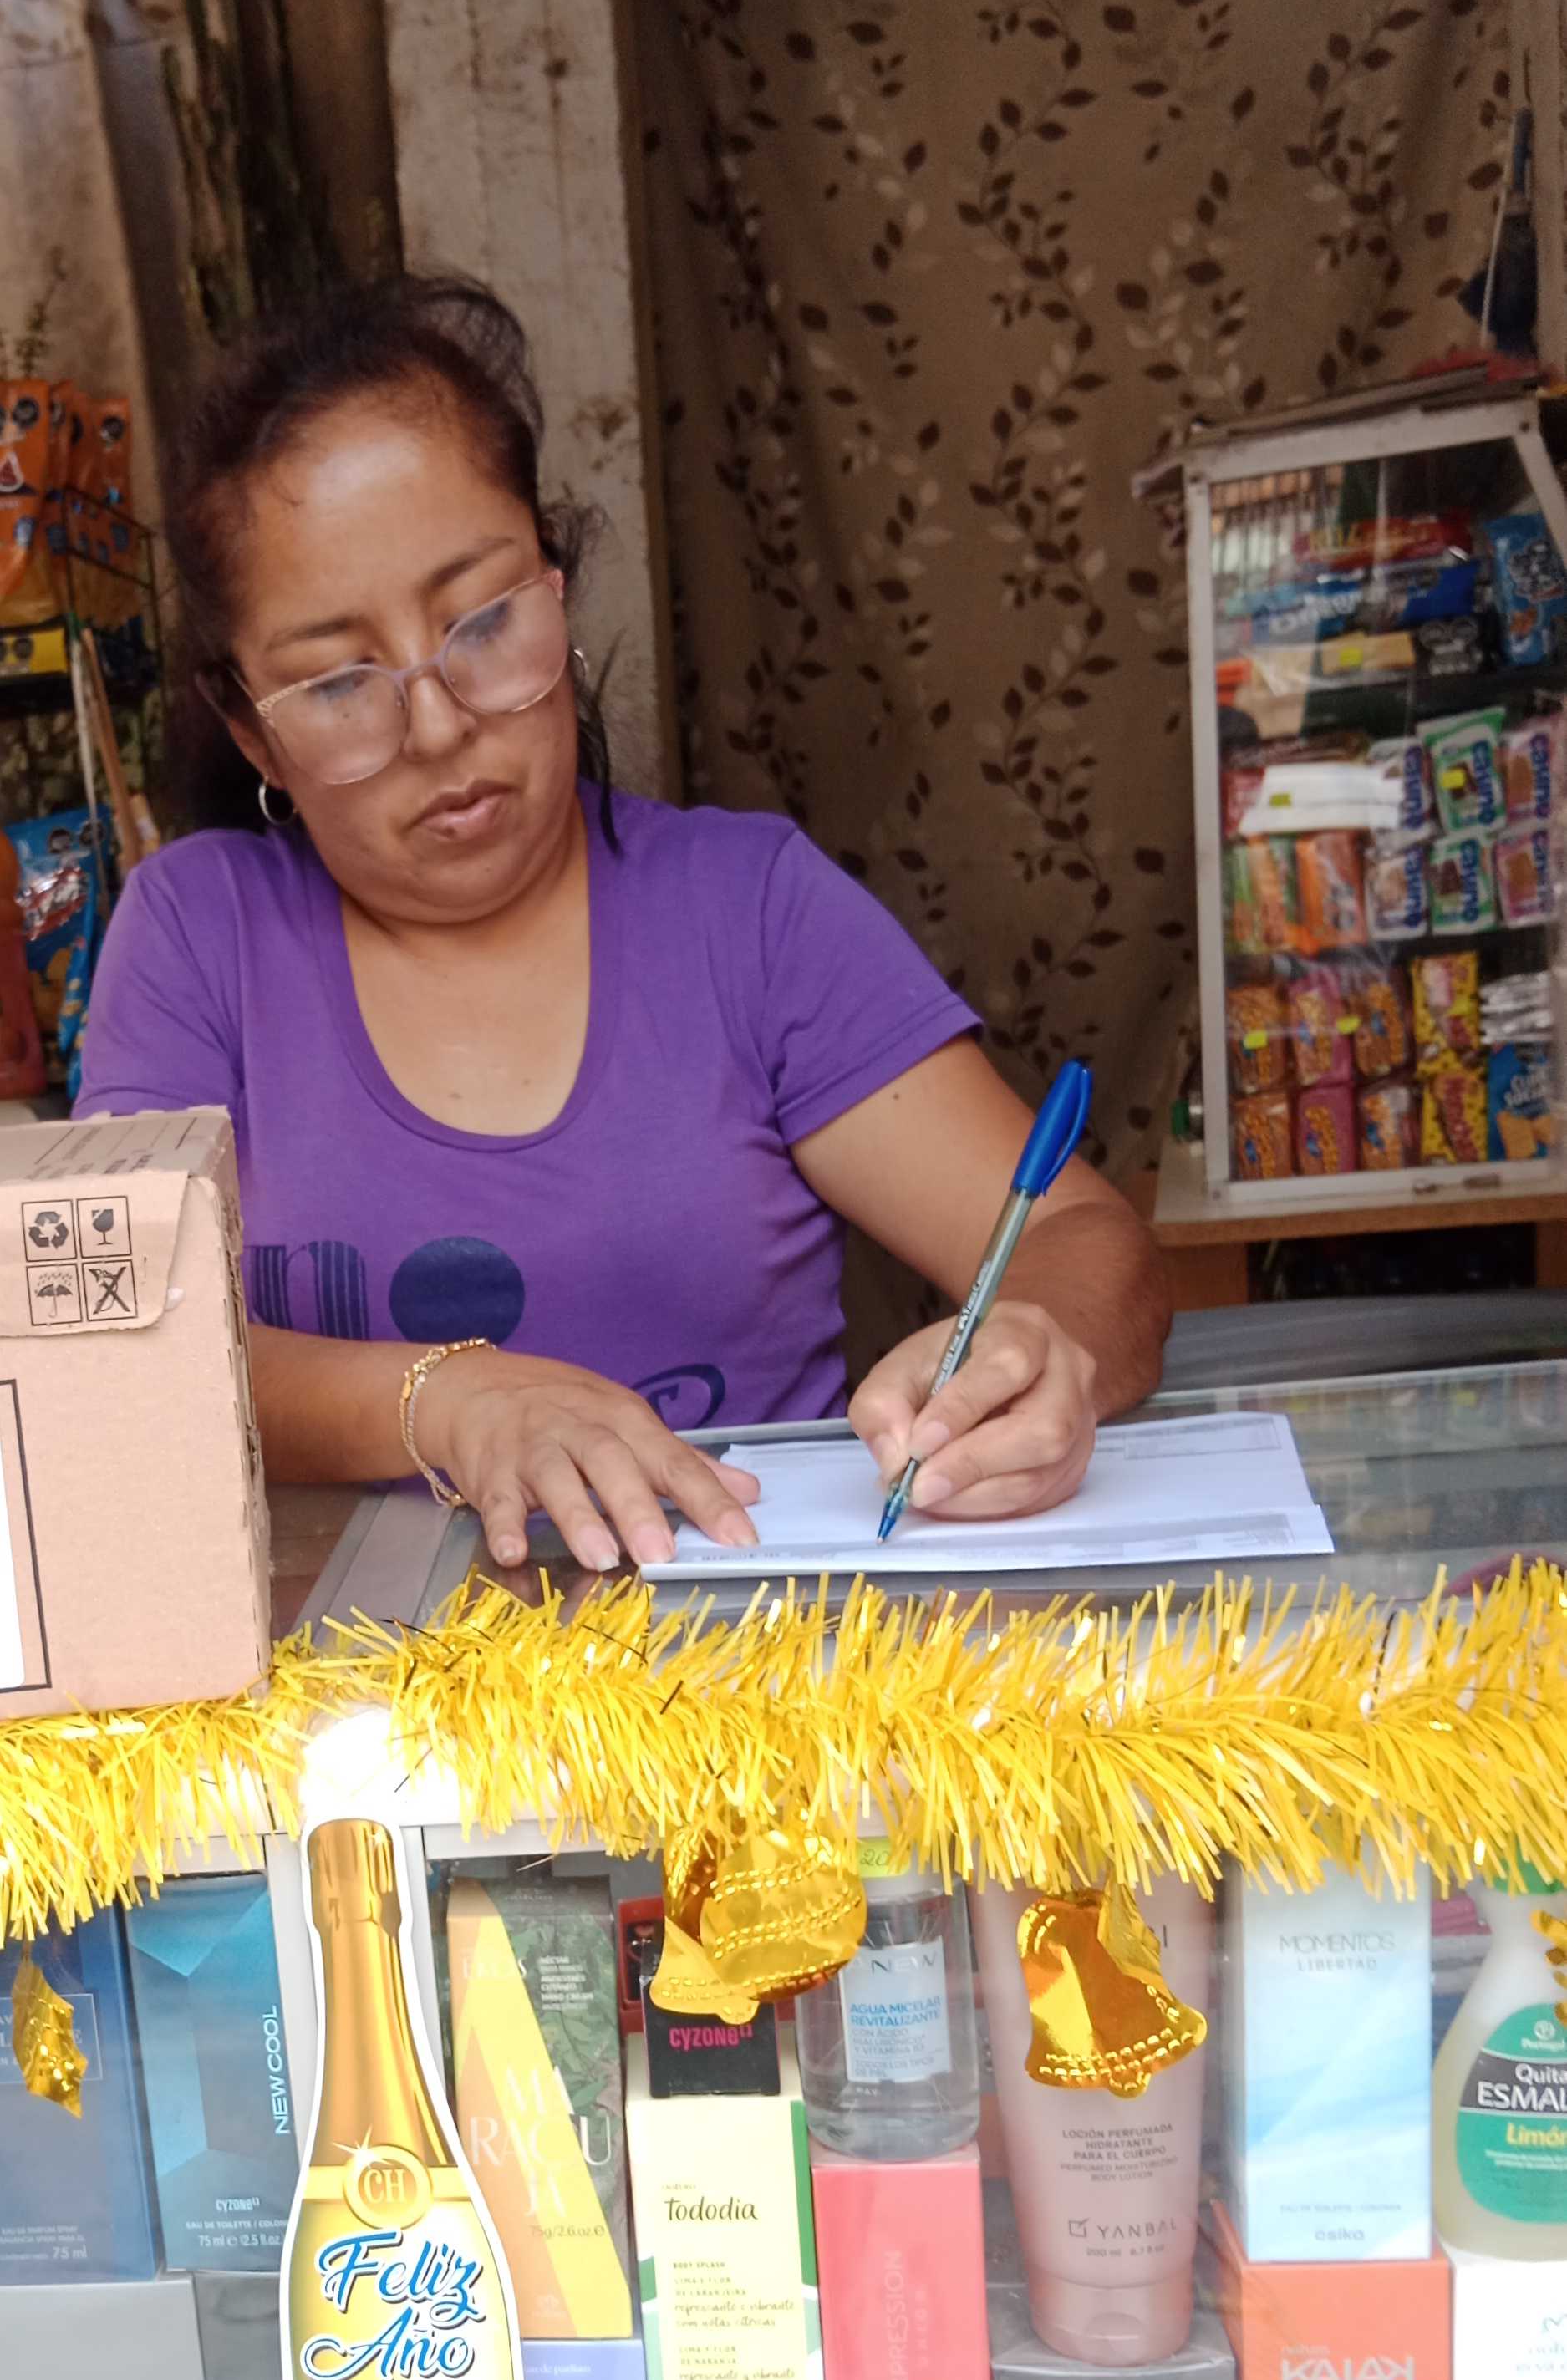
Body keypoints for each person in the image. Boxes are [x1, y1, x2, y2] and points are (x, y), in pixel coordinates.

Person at [73, 278, 1170, 1569]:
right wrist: (445, 1401)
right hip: (353, 1681)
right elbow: (114, 1346)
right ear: (255, 730)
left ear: (556, 590)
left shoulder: (747, 913)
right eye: (338, 683)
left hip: (750, 1660)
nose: (440, 726)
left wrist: (1041, 1350)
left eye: (484, 623)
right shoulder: (197, 939)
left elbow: (1082, 1242)